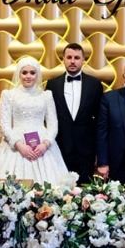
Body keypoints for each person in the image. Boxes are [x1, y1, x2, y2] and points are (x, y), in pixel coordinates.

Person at [0, 57, 69, 185]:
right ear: (19, 74)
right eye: (24, 72)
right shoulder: (8, 95)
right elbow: (4, 125)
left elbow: (53, 124)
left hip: (42, 145)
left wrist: (45, 145)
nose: (28, 76)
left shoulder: (46, 95)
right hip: (16, 144)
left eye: (32, 72)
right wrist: (19, 145)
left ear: (37, 75)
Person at [45, 43, 104, 184]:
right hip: (59, 148)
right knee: (59, 190)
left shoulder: (95, 85)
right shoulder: (52, 84)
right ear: (63, 59)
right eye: (69, 57)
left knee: (85, 190)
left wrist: (99, 153)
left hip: (86, 150)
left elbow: (100, 120)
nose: (72, 61)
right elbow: (47, 117)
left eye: (77, 58)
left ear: (83, 60)